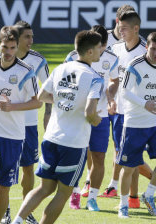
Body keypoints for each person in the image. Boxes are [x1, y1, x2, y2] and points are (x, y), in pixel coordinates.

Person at [11, 30, 103, 224]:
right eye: (98, 47)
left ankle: (17, 221)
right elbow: (89, 112)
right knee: (63, 192)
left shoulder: (61, 68)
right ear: (89, 52)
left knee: (44, 188)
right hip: (74, 143)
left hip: (51, 137)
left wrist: (62, 101)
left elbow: (42, 96)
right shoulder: (95, 78)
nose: (101, 50)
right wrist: (96, 120)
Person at [103, 10, 156, 209]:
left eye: (124, 28)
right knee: (123, 155)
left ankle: (149, 186)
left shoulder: (146, 51)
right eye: (118, 27)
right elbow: (114, 79)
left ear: (136, 29)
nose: (119, 31)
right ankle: (134, 198)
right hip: (118, 109)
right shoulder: (116, 48)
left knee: (128, 158)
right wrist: (110, 99)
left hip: (140, 114)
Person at [117, 31, 156, 218]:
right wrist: (145, 104)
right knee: (129, 167)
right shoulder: (135, 65)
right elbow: (123, 91)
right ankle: (123, 205)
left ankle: (149, 195)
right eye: (152, 49)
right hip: (135, 123)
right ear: (146, 47)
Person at [1, 20, 51, 224]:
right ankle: (4, 210)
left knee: (28, 167)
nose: (31, 41)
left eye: (32, 36)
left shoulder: (38, 61)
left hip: (28, 125)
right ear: (15, 39)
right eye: (27, 37)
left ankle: (25, 210)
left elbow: (48, 92)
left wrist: (48, 115)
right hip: (2, 125)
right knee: (3, 171)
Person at [65, 25, 119, 211]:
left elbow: (114, 80)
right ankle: (75, 192)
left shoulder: (111, 58)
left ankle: (92, 198)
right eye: (99, 46)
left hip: (101, 115)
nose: (101, 50)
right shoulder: (73, 57)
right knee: (76, 154)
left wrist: (110, 97)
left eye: (103, 46)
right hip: (77, 116)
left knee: (99, 156)